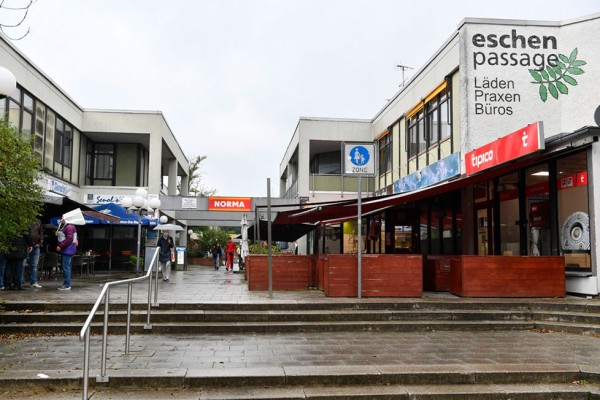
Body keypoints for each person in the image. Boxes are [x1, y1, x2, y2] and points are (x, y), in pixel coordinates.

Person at [56, 219, 78, 290]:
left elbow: (69, 238)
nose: (61, 219)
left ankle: (67, 285)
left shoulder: (69, 226)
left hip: (67, 249)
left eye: (63, 218)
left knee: (66, 267)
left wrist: (60, 245)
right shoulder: (67, 226)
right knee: (66, 267)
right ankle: (66, 284)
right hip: (67, 249)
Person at [22, 219, 43, 288]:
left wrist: (41, 242)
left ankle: (33, 282)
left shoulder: (38, 221)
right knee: (23, 264)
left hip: (36, 245)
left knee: (34, 265)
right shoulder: (24, 219)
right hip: (26, 246)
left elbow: (40, 232)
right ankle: (20, 282)